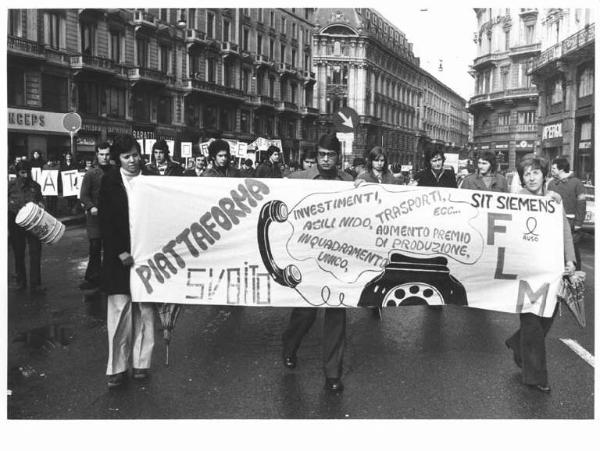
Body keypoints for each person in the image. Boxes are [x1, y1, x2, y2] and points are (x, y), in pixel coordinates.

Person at [283, 134, 353, 393]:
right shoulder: (298, 179)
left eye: (330, 155)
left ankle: (332, 373)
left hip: (339, 257)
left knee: (336, 312)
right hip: (307, 256)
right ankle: (290, 343)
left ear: (338, 156)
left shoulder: (349, 182)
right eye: (321, 154)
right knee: (306, 312)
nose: (325, 159)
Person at [504, 156, 576, 393]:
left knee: (548, 314)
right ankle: (535, 375)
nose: (532, 177)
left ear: (544, 175)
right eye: (527, 174)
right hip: (527, 270)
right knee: (533, 321)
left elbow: (564, 230)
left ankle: (518, 344)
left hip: (551, 268)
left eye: (536, 172)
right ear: (522, 178)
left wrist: (570, 260)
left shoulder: (553, 200)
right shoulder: (518, 200)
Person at [98, 134, 155, 388]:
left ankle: (141, 363)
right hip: (119, 258)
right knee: (119, 312)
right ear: (117, 159)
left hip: (147, 256)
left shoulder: (151, 180)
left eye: (135, 154)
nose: (133, 160)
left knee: (144, 311)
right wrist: (119, 251)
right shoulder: (109, 182)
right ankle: (117, 367)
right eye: (126, 156)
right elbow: (105, 222)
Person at [78, 142, 113, 290]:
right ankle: (92, 278)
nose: (104, 157)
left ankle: (108, 278)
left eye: (107, 154)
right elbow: (84, 195)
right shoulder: (91, 173)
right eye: (101, 154)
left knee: (111, 248)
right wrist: (91, 206)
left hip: (111, 217)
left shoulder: (114, 171)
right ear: (97, 155)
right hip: (95, 218)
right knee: (95, 247)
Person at [8, 160, 45, 294]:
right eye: (22, 172)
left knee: (35, 252)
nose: (25, 175)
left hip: (33, 223)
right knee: (18, 253)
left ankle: (36, 283)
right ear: (17, 173)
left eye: (27, 172)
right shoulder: (10, 186)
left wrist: (41, 204)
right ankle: (20, 281)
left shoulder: (35, 186)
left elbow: (41, 200)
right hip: (15, 223)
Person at [547, 157, 586, 270]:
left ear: (562, 169)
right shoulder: (551, 184)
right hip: (555, 223)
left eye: (553, 168)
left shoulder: (577, 183)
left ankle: (576, 279)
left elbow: (581, 203)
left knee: (572, 251)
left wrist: (579, 223)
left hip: (572, 223)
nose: (552, 170)